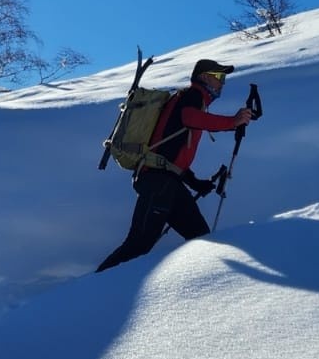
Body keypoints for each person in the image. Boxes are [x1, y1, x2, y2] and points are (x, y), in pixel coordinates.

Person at [95, 59, 256, 273]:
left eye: (223, 78)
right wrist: (231, 122)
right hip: (157, 182)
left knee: (201, 238)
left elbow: (169, 153)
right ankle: (91, 289)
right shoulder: (191, 95)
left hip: (167, 184)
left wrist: (195, 183)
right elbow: (189, 118)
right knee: (138, 244)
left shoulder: (193, 100)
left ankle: (208, 286)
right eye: (219, 77)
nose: (222, 83)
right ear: (204, 77)